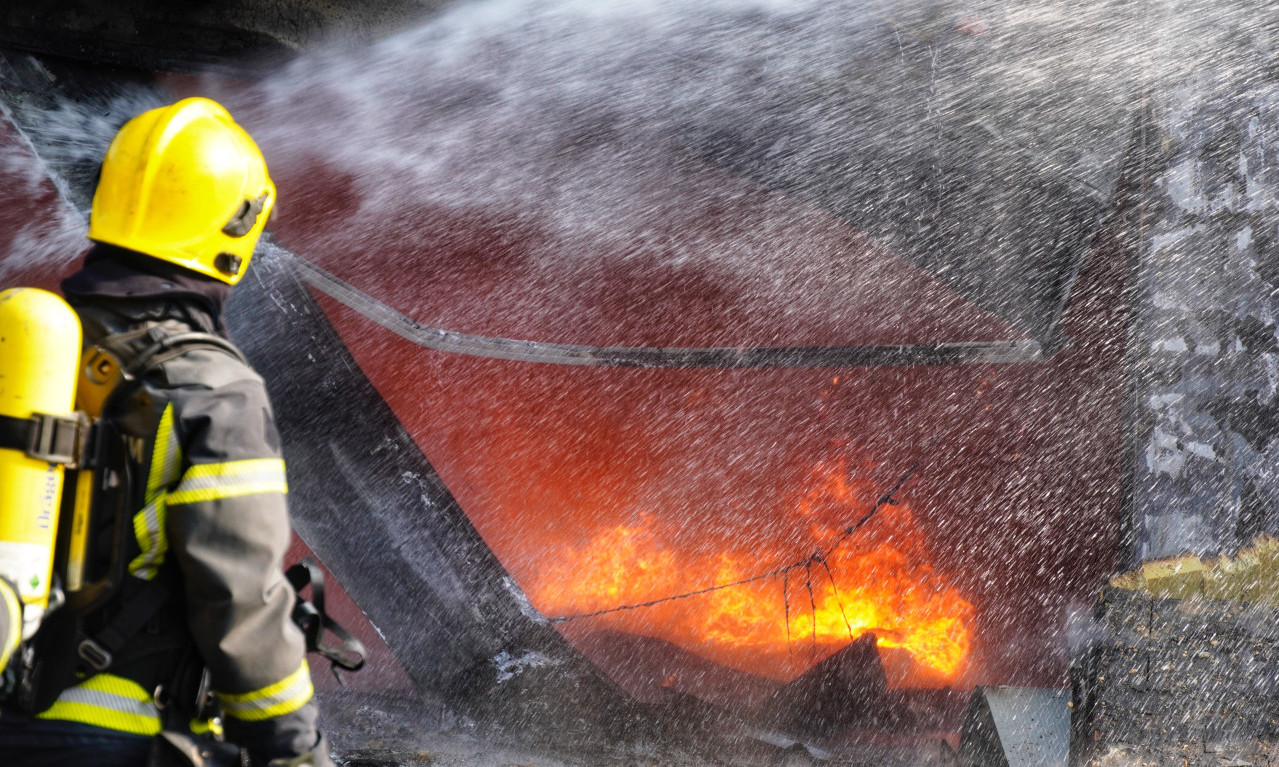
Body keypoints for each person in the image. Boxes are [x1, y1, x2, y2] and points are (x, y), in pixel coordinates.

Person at [0, 97, 330, 766]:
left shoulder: (30, 347)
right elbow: (240, 599)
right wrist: (295, 751)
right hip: (114, 737)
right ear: (235, 227)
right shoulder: (211, 388)